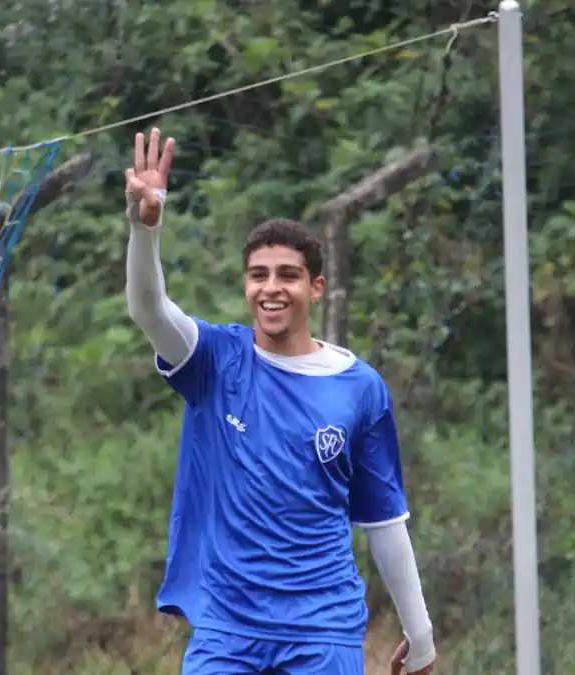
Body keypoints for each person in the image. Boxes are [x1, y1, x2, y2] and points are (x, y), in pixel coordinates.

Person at [124, 128, 436, 675]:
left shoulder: (359, 387)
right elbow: (150, 309)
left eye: (288, 275)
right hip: (227, 627)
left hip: (323, 629)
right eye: (259, 275)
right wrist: (144, 228)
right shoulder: (214, 360)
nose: (272, 288)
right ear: (246, 284)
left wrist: (421, 632)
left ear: (315, 288)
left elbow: (384, 520)